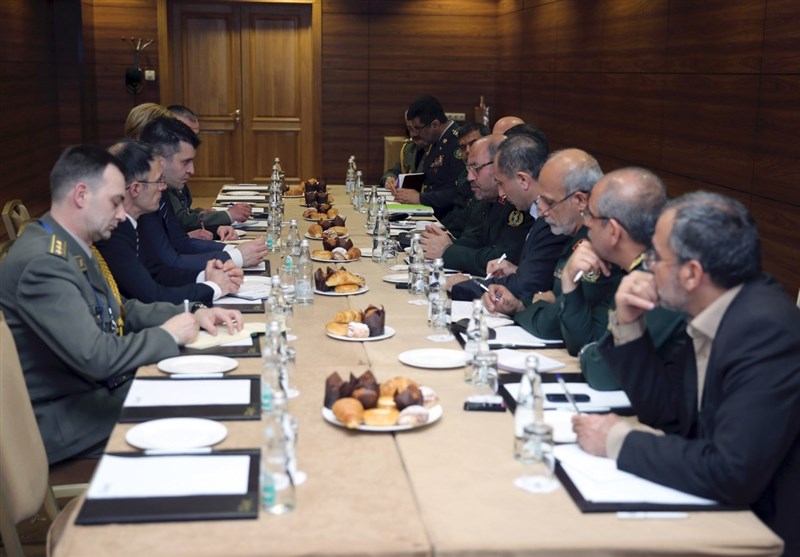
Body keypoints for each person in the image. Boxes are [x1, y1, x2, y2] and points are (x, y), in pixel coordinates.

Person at [572, 191, 800, 556]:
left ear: (692, 273)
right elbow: (668, 416)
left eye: (656, 258)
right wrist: (629, 325)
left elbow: (731, 472)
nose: (647, 267)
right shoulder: (717, 310)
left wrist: (616, 440)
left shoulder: (764, 330)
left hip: (763, 532)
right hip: (716, 510)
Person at [0, 145, 243, 463]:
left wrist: (193, 312)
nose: (120, 213)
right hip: (66, 419)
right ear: (81, 195)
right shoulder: (43, 263)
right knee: (201, 406)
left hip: (92, 393)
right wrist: (168, 335)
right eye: (115, 202)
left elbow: (120, 309)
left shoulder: (69, 242)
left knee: (204, 385)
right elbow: (96, 357)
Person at [483, 148, 624, 348]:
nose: (541, 210)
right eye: (540, 198)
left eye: (549, 201)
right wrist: (522, 303)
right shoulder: (573, 234)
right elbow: (555, 304)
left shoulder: (598, 247)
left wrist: (522, 310)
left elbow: (555, 323)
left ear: (580, 201)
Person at [569, 168, 689, 389]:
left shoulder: (655, 281)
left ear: (614, 232)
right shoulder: (633, 268)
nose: (586, 223)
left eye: (591, 216)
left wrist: (589, 353)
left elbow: (602, 372)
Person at [95, 140, 243, 305]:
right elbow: (151, 295)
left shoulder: (138, 219)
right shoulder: (113, 232)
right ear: (136, 189)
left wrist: (206, 277)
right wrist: (213, 288)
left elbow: (158, 272)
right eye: (159, 181)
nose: (163, 187)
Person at [137, 116, 268, 278]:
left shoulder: (161, 191)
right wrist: (236, 257)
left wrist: (234, 249)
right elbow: (169, 263)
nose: (192, 170)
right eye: (185, 162)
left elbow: (181, 243)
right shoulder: (144, 199)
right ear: (160, 161)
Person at [449, 135, 566, 302]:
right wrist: (516, 271)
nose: (501, 193)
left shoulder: (550, 219)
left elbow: (528, 287)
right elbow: (535, 275)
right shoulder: (537, 213)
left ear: (523, 180)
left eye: (501, 184)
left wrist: (469, 285)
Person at [420, 134, 532, 276]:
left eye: (476, 168)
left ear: (498, 165)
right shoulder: (485, 198)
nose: (469, 177)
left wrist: (447, 250)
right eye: (468, 168)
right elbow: (471, 241)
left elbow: (501, 259)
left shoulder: (519, 202)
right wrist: (442, 245)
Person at [166, 105, 251, 237]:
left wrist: (200, 213)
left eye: (195, 136)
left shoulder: (177, 169)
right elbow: (182, 223)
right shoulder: (162, 177)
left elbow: (182, 212)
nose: (194, 142)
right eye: (188, 135)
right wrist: (228, 215)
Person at [388, 96, 463, 222]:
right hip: (432, 213)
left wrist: (420, 198)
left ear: (435, 125)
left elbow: (458, 191)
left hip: (450, 219)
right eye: (410, 129)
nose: (413, 134)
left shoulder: (458, 143)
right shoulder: (436, 140)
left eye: (417, 129)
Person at [438, 122, 490, 238]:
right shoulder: (463, 175)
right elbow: (457, 215)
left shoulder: (488, 184)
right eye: (462, 147)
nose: (467, 151)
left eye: (473, 144)